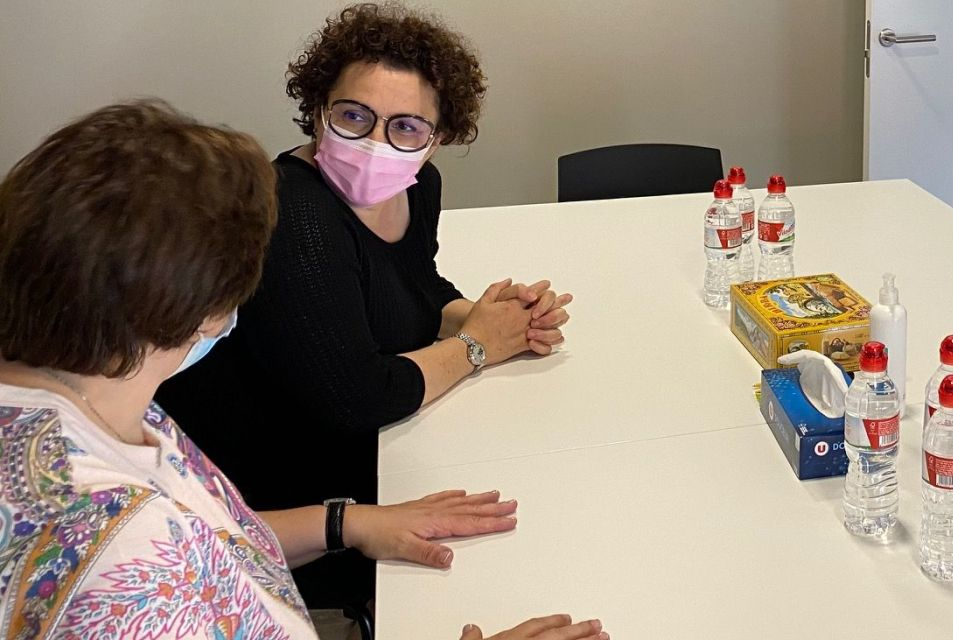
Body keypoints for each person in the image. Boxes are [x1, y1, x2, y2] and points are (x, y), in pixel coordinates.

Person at [0, 101, 608, 640]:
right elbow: (173, 563)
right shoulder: (129, 565)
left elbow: (217, 540)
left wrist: (345, 522)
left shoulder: (96, 401)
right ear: (204, 313)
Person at [154, 1, 572, 607]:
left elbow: (416, 284)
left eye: (406, 127)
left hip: (371, 439)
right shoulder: (297, 217)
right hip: (288, 487)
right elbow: (359, 397)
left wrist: (497, 319)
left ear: (437, 139)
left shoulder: (417, 186)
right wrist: (477, 347)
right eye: (354, 116)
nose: (377, 142)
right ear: (318, 110)